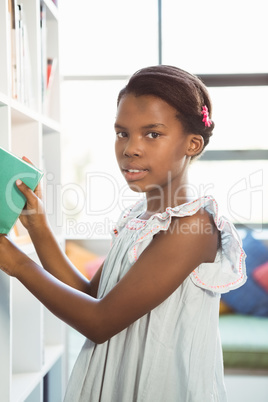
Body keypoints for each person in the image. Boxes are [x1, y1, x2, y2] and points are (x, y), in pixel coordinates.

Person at [0, 65, 246, 402]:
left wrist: (18, 265)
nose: (130, 148)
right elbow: (91, 293)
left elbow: (99, 322)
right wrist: (38, 226)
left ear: (192, 144)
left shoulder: (193, 226)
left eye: (152, 134)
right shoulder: (139, 217)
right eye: (122, 133)